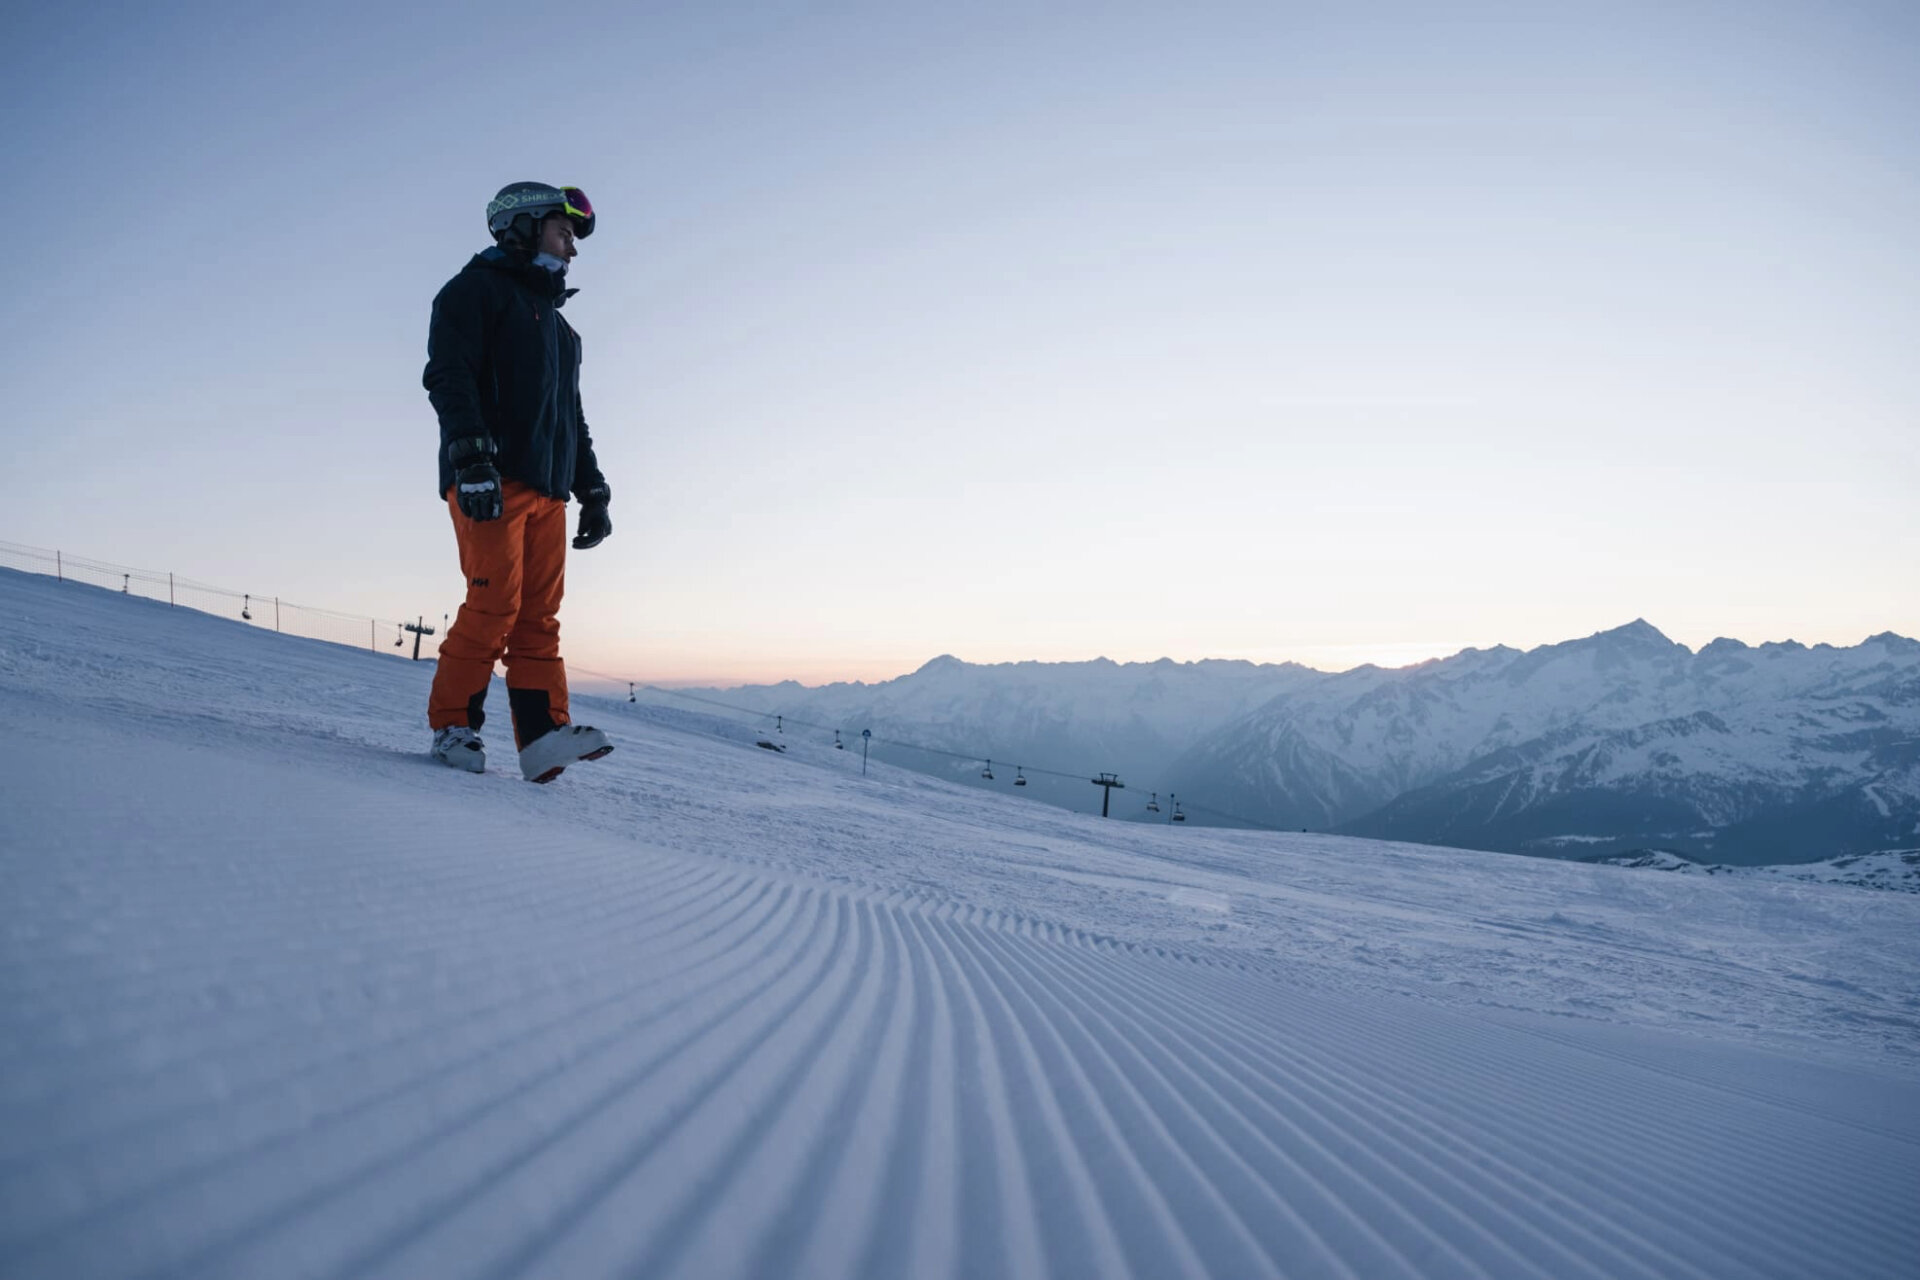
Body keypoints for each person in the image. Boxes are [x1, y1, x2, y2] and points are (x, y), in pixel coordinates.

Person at [421, 182, 616, 783]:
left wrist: (593, 490)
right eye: (564, 234)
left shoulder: (561, 332)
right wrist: (472, 459)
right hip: (492, 479)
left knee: (539, 616)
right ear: (524, 227)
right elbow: (449, 377)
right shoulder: (472, 292)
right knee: (493, 605)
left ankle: (542, 739)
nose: (572, 251)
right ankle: (454, 726)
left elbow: (570, 419)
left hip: (548, 488)